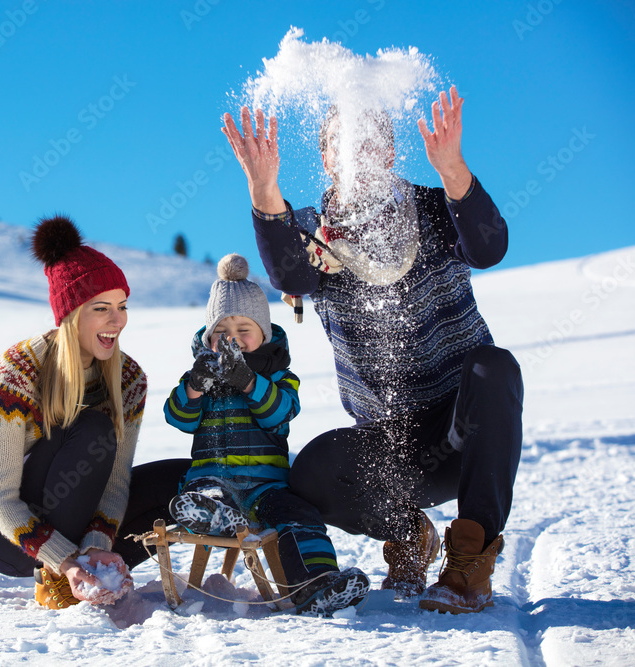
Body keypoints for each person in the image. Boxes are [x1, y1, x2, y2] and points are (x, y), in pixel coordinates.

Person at [221, 86, 524, 614]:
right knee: (313, 470)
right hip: (389, 450)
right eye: (345, 145)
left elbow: (489, 247)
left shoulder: (433, 207)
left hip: (463, 432)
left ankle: (468, 564)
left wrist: (454, 170)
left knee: (495, 369)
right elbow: (288, 272)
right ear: (327, 159)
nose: (359, 156)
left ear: (389, 154)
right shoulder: (313, 234)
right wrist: (264, 190)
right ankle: (409, 536)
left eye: (371, 144)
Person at [0, 215, 158, 610]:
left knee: (181, 482)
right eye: (101, 308)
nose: (117, 320)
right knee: (93, 428)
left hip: (74, 521)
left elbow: (115, 485)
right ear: (71, 315)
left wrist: (97, 544)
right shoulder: (18, 370)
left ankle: (95, 565)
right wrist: (63, 560)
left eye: (122, 306)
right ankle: (62, 575)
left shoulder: (128, 379)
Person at [163, 253, 369, 616]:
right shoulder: (200, 379)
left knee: (298, 516)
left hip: (265, 486)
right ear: (209, 338)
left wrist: (247, 382)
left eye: (244, 331)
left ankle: (316, 582)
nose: (234, 340)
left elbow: (280, 413)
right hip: (213, 479)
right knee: (209, 492)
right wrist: (194, 386)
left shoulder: (278, 378)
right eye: (222, 333)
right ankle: (211, 512)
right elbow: (177, 418)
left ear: (264, 334)